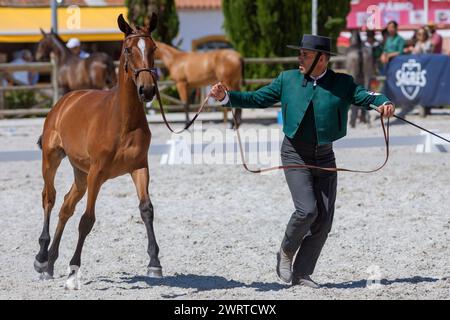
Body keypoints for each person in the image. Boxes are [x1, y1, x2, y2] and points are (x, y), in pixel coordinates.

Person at [209, 35, 395, 288]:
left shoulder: (342, 82)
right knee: (307, 210)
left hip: (325, 155)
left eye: (305, 55)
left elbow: (367, 96)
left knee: (324, 220)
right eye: (300, 54)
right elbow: (257, 98)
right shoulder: (287, 80)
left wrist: (384, 103)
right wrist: (225, 97)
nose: (300, 58)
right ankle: (286, 251)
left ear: (322, 59)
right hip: (294, 153)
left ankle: (302, 273)